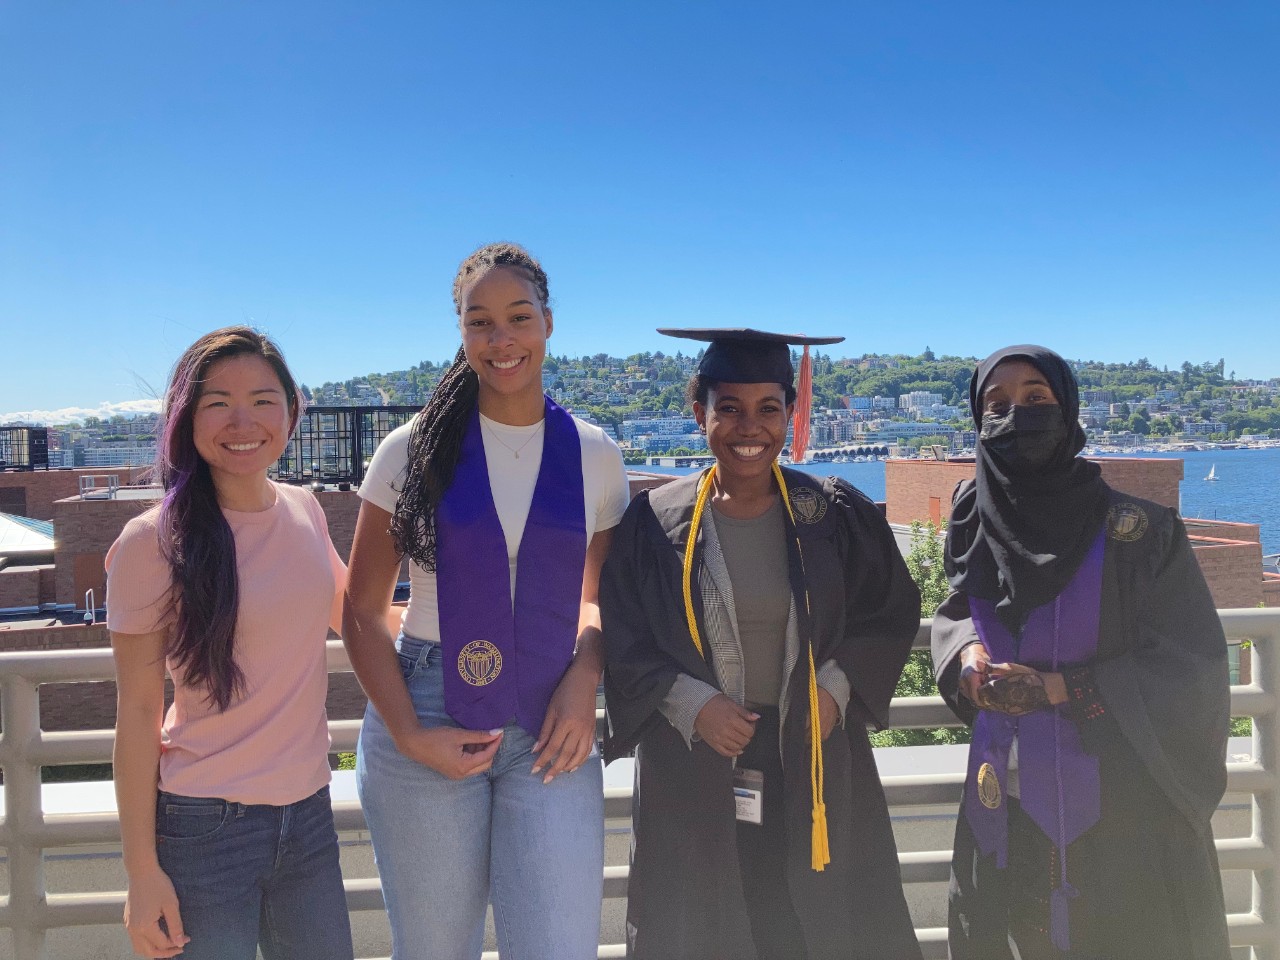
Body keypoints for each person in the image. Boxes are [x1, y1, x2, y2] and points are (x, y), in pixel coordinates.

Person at [343, 242, 629, 960]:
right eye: (480, 323)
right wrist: (408, 733)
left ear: (549, 324)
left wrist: (585, 676)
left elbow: (601, 600)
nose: (501, 340)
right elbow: (361, 610)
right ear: (462, 333)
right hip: (428, 707)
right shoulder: (410, 451)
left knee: (559, 946)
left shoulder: (596, 453)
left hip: (550, 714)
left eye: (518, 318)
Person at [601, 328, 924, 960]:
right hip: (695, 761)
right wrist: (694, 704)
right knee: (706, 924)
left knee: (807, 923)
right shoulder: (656, 522)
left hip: (811, 754)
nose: (750, 427)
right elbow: (623, 632)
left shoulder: (831, 514)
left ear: (791, 414)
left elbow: (888, 611)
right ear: (700, 414)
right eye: (729, 409)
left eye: (768, 409)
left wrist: (833, 690)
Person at [932, 345, 1231, 960]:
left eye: (1036, 399)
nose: (1017, 416)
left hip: (1123, 815)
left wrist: (1064, 689)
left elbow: (1192, 667)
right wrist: (964, 659)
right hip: (1002, 802)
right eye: (997, 404)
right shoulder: (973, 518)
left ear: (1068, 410)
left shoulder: (1140, 535)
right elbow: (959, 609)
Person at [108, 326, 353, 960]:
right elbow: (136, 712)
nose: (242, 421)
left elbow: (359, 617)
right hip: (202, 825)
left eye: (264, 400)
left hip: (308, 814)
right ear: (185, 417)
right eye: (217, 402)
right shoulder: (151, 542)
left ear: (292, 412)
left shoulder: (305, 510)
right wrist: (141, 872)